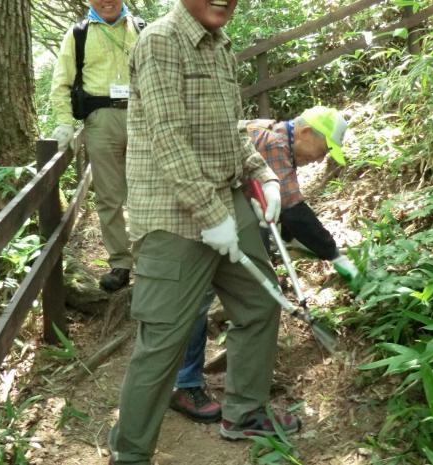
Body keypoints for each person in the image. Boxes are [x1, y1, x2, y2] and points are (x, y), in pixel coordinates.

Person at [109, 1, 302, 464]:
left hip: (226, 199)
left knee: (259, 303)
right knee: (162, 342)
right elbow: (167, 136)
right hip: (173, 217)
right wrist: (210, 213)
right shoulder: (160, 41)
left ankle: (245, 412)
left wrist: (264, 175)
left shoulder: (219, 44)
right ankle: (130, 454)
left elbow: (230, 130)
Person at [168, 107, 359, 423]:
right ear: (306, 132)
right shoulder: (271, 143)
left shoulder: (275, 139)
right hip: (200, 218)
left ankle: (215, 390)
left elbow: (280, 207)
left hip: (217, 217)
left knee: (223, 299)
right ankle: (186, 385)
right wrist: (334, 254)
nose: (322, 159)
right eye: (324, 149)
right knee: (200, 300)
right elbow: (294, 212)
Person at [49, 0, 139, 292]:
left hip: (142, 117)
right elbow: (61, 83)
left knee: (149, 190)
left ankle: (151, 258)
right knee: (110, 196)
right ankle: (121, 263)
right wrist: (64, 123)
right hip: (100, 120)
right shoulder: (78, 34)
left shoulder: (141, 29)